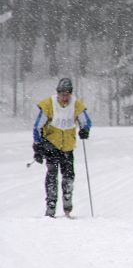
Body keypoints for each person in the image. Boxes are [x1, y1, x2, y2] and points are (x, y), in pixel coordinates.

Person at [32, 78, 92, 218]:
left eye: (67, 94)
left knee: (68, 177)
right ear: (57, 93)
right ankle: (51, 206)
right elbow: (37, 126)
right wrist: (37, 146)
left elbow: (86, 121)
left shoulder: (76, 104)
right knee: (52, 176)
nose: (64, 97)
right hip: (51, 145)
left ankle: (67, 203)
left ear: (71, 94)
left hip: (68, 146)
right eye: (61, 94)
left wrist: (85, 130)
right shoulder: (49, 104)